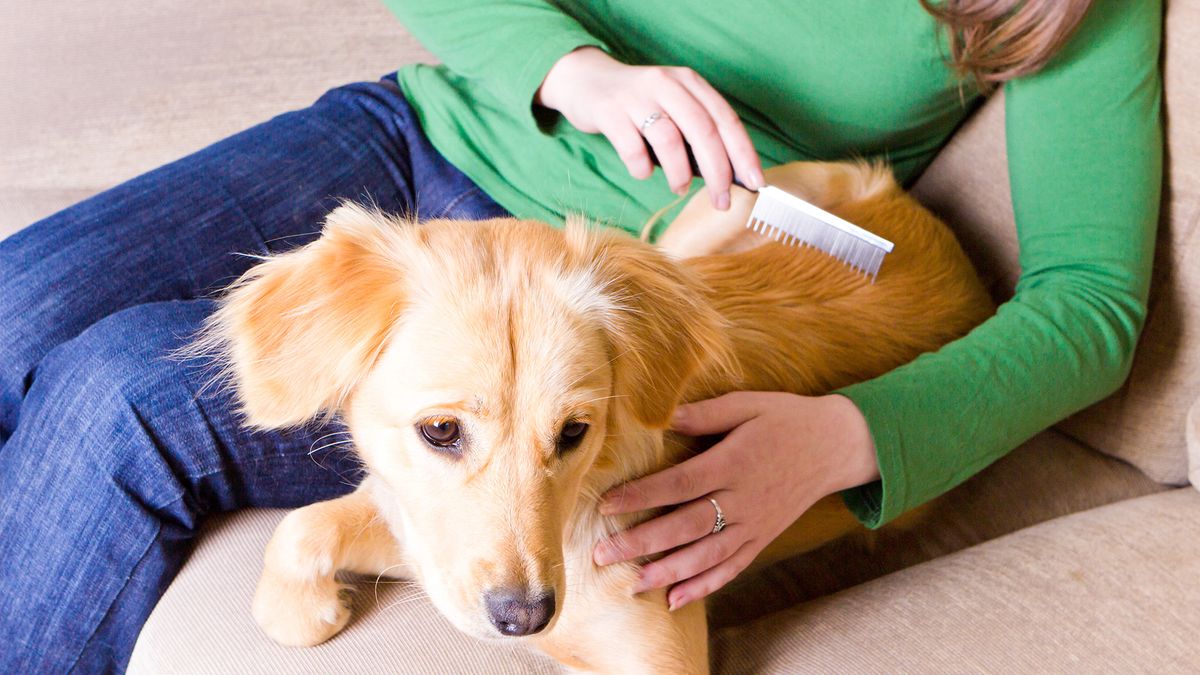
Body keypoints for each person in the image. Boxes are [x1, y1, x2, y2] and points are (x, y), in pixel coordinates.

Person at [0, 0, 1161, 671]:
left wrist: (847, 437)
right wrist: (578, 70)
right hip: (427, 138)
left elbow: (1092, 304)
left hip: (603, 300)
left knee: (119, 400)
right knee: (15, 307)